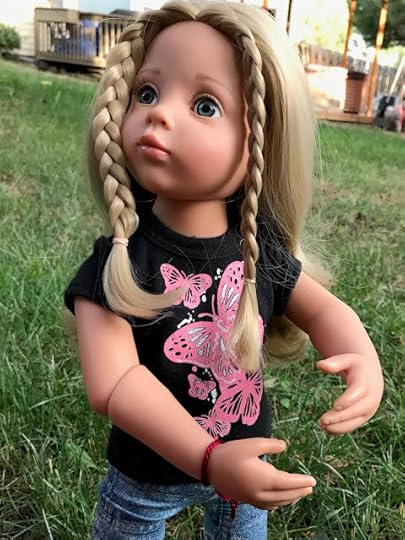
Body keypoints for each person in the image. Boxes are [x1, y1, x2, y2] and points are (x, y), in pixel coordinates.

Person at [64, 2, 384, 538]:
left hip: (246, 465)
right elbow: (113, 384)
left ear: (262, 142)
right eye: (147, 93)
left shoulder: (257, 251)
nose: (159, 114)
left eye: (205, 105)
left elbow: (324, 310)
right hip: (146, 477)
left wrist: (363, 359)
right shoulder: (119, 261)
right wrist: (208, 459)